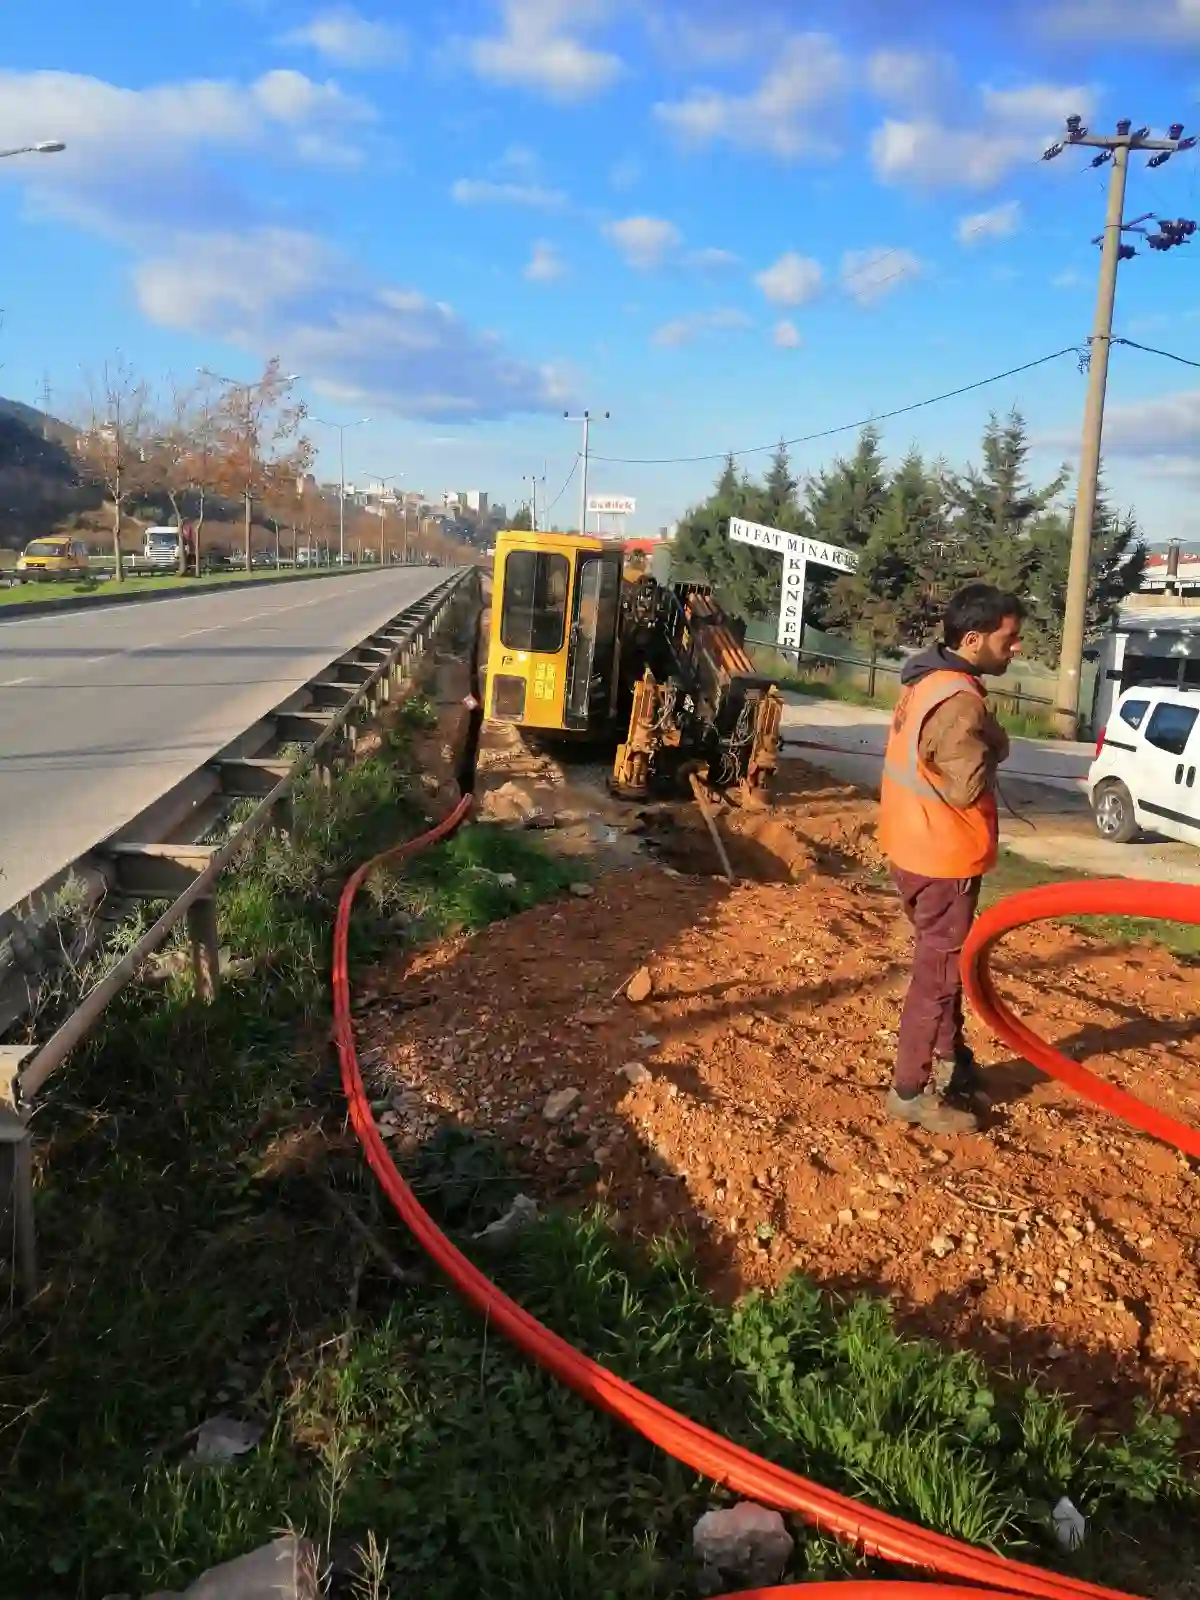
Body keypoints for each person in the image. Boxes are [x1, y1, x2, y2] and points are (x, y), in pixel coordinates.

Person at [879, 583, 1024, 1135]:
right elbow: (966, 787)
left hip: (911, 844)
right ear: (973, 639)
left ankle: (950, 1060)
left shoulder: (927, 679)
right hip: (942, 858)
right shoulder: (961, 700)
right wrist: (995, 742)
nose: (1016, 649)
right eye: (1009, 639)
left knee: (944, 966)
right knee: (936, 977)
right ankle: (910, 1091)